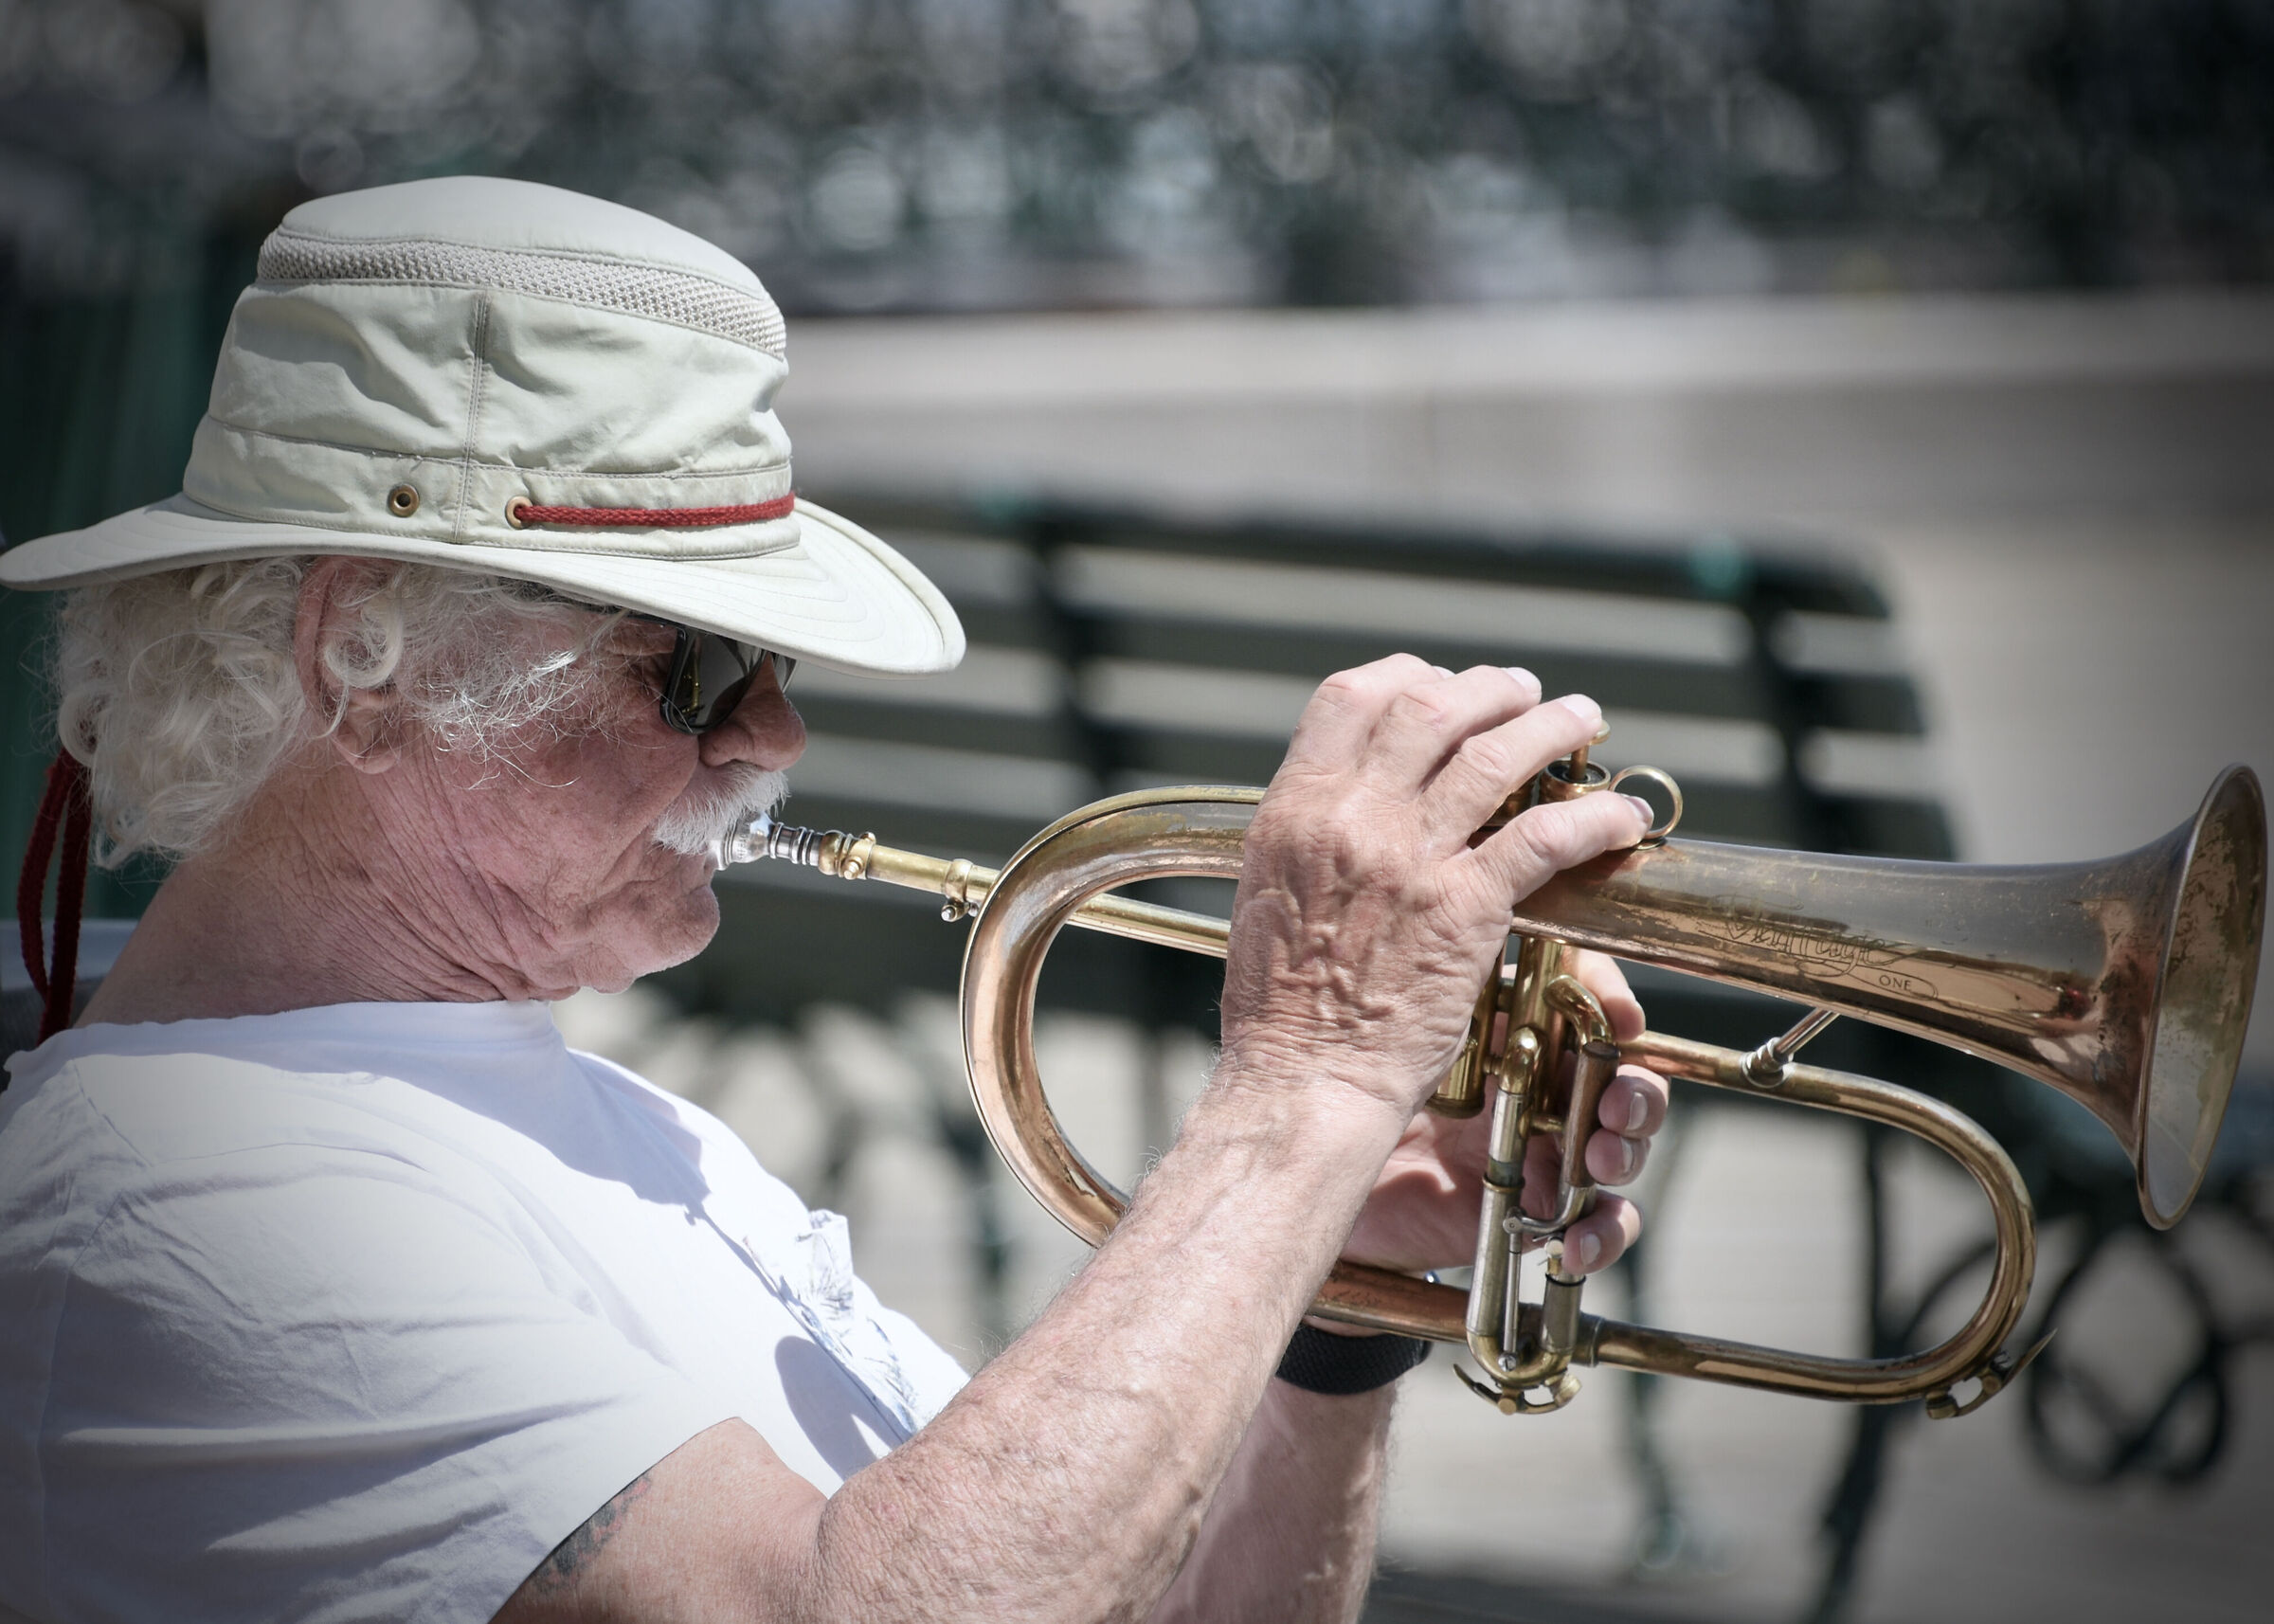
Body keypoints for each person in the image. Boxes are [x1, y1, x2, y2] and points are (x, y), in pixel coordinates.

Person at [0, 177, 1669, 1624]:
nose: (778, 731)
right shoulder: (188, 1197)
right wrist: (1301, 1080)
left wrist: (1327, 1298)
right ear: (358, 659)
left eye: (772, 661)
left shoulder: (592, 1117)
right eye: (698, 668)